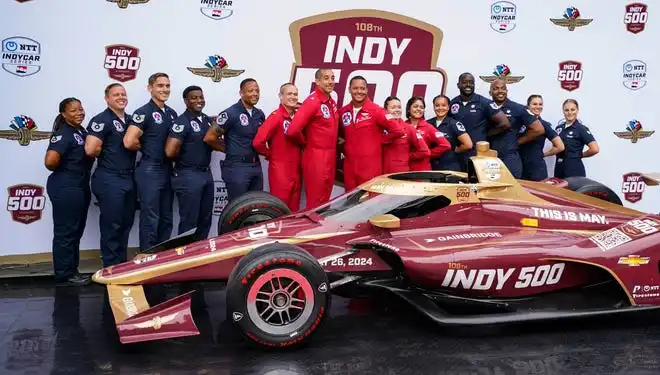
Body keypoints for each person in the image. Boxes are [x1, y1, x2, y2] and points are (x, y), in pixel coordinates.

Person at [123, 72, 177, 253]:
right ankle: (147, 261)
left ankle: (162, 261)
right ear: (150, 88)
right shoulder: (143, 112)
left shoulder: (171, 113)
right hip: (150, 170)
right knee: (151, 218)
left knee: (166, 218)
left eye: (167, 86)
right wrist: (146, 149)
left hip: (167, 169)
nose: (165, 89)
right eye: (160, 86)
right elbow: (129, 141)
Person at [84, 83, 136, 267]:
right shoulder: (101, 119)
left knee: (125, 224)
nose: (121, 97)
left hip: (129, 178)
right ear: (107, 98)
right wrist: (108, 154)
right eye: (116, 95)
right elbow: (90, 149)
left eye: (123, 94)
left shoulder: (130, 120)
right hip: (109, 178)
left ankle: (121, 266)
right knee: (112, 226)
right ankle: (110, 268)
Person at [44, 98, 93, 286]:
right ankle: (64, 275)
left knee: (75, 230)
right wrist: (67, 169)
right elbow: (50, 162)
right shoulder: (64, 133)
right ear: (64, 114)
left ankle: (72, 270)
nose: (79, 112)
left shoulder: (80, 131)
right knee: (66, 231)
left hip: (79, 185)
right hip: (66, 186)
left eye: (81, 109)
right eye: (73, 110)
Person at [166, 86, 219, 241]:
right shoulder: (182, 121)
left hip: (206, 174)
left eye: (201, 97)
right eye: (194, 98)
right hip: (188, 175)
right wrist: (185, 160)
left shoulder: (208, 120)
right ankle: (185, 259)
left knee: (205, 219)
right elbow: (170, 151)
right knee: (189, 221)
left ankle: (200, 256)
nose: (199, 101)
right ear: (186, 101)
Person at [338, 76, 404, 191]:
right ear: (349, 89)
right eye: (355, 88)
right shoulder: (343, 112)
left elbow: (398, 131)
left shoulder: (376, 110)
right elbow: (340, 134)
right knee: (349, 202)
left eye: (362, 88)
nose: (359, 91)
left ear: (367, 90)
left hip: (370, 167)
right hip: (349, 167)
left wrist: (379, 140)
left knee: (369, 203)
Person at [204, 78, 265, 203]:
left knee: (256, 207)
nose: (255, 93)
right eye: (250, 91)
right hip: (237, 167)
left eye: (257, 91)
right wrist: (229, 149)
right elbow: (209, 137)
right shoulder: (231, 113)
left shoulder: (259, 114)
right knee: (237, 208)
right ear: (241, 93)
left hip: (256, 166)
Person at [286, 68, 339, 209]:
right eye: (326, 78)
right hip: (316, 156)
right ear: (317, 81)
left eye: (333, 78)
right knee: (315, 202)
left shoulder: (331, 102)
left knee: (326, 201)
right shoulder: (312, 101)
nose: (330, 81)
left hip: (330, 156)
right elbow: (292, 130)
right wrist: (305, 142)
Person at [252, 83, 303, 211]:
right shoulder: (276, 116)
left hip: (296, 170)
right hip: (281, 171)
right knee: (280, 209)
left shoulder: (297, 117)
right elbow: (258, 142)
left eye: (295, 94)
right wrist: (270, 154)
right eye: (289, 94)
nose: (293, 97)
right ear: (281, 96)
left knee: (294, 211)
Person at [449, 73, 509, 171]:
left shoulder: (484, 102)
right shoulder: (453, 103)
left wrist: (486, 134)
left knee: (475, 184)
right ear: (458, 85)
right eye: (464, 82)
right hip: (459, 153)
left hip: (477, 154)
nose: (468, 85)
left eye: (471, 83)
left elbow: (504, 123)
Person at [487, 78, 544, 178]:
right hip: (489, 158)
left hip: (509, 157)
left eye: (503, 88)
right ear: (490, 92)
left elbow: (538, 129)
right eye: (496, 88)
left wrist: (518, 142)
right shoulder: (485, 107)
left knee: (513, 192)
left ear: (507, 91)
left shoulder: (518, 108)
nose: (500, 91)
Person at [519, 94, 565, 181]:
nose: (538, 107)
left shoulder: (544, 124)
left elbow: (560, 146)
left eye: (540, 104)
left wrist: (543, 155)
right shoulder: (519, 122)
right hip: (519, 167)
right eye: (534, 104)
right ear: (528, 106)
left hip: (537, 170)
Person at [381, 96, 430, 173]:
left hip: (400, 173)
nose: (397, 110)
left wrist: (407, 156)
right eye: (393, 107)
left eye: (399, 107)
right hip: (380, 173)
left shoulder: (409, 128)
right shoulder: (380, 127)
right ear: (386, 110)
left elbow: (425, 151)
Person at [554, 99, 599, 178]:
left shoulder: (581, 129)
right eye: (566, 110)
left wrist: (580, 155)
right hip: (559, 167)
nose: (570, 112)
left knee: (574, 190)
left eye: (572, 109)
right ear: (563, 111)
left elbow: (595, 149)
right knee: (557, 190)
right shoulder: (559, 128)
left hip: (574, 168)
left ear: (577, 110)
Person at [427, 95, 473, 171]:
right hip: (431, 167)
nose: (440, 108)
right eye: (437, 105)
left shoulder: (454, 124)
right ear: (433, 107)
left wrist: (454, 150)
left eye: (444, 105)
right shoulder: (428, 123)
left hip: (449, 167)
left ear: (448, 107)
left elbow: (468, 144)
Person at [405, 96, 451, 171]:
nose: (419, 109)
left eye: (421, 107)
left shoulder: (428, 127)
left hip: (422, 170)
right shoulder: (403, 126)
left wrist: (427, 154)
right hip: (404, 169)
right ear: (409, 109)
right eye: (415, 106)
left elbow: (446, 145)